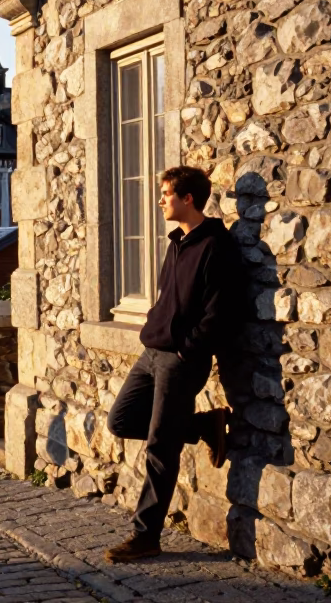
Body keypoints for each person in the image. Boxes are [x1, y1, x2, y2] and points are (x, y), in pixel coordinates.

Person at [103, 166, 244, 563]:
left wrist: (188, 349)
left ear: (188, 199)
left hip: (182, 359)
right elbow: (168, 298)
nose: (160, 200)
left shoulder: (216, 245)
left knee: (160, 446)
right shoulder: (176, 243)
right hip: (152, 352)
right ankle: (203, 425)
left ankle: (146, 537)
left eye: (166, 193)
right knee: (121, 420)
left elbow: (221, 311)